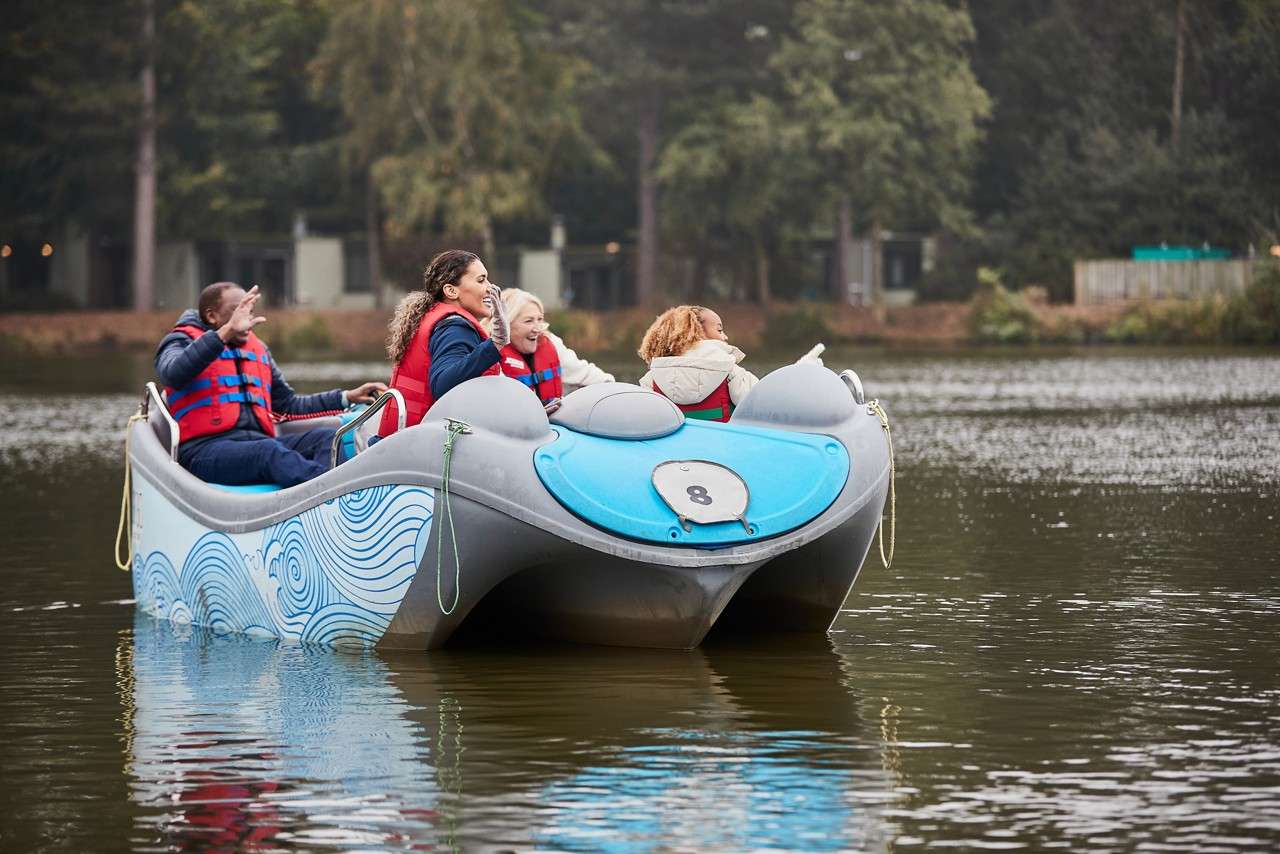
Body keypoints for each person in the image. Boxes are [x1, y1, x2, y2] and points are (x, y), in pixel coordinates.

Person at [156, 282, 386, 487]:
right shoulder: (180, 341)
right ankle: (342, 492)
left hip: (257, 444)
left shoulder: (258, 350)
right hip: (204, 452)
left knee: (327, 439)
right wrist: (225, 333)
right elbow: (172, 373)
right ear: (212, 316)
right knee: (269, 452)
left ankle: (339, 502)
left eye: (249, 310)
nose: (246, 317)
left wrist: (345, 397)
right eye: (238, 310)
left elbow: (287, 404)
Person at [379, 250, 509, 436]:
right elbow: (442, 383)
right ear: (451, 291)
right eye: (481, 280)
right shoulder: (455, 327)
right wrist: (495, 344)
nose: (490, 287)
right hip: (418, 446)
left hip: (400, 438)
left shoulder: (435, 318)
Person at [489, 288, 615, 410]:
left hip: (554, 423)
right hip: (517, 423)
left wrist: (614, 389)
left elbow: (588, 375)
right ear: (506, 324)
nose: (537, 329)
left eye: (539, 319)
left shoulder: (551, 342)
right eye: (528, 321)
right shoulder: (490, 353)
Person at [636, 305, 759, 422]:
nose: (725, 337)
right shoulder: (732, 372)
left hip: (674, 444)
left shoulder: (651, 379)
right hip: (722, 442)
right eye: (720, 330)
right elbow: (758, 406)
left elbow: (646, 419)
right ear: (698, 333)